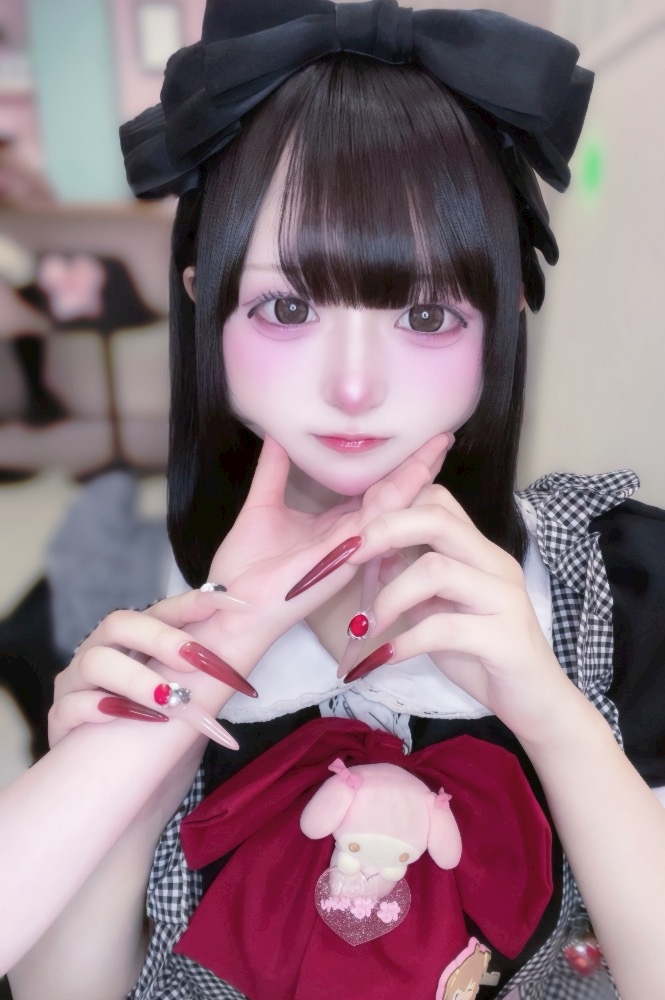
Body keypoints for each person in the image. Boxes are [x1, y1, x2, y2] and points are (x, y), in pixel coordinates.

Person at [3, 2, 665, 999]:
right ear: (203, 296)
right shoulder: (119, 618)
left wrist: (554, 719)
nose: (354, 387)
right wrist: (139, 756)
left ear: (506, 315)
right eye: (286, 306)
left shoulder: (618, 586)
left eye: (427, 314)